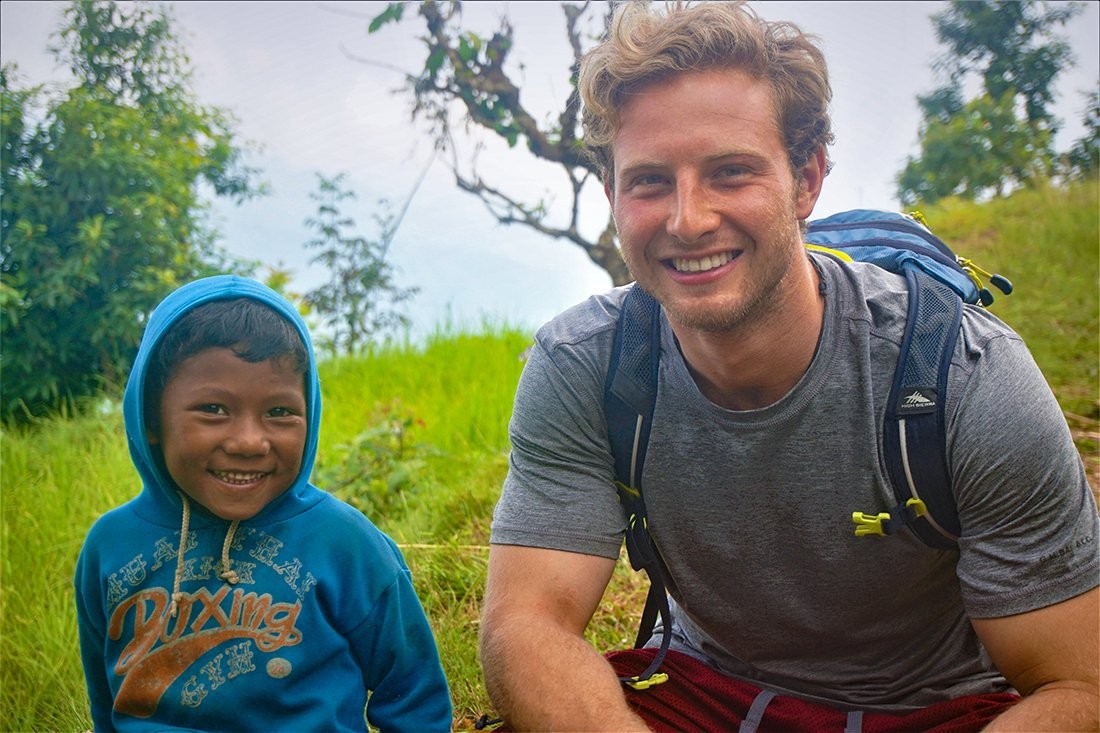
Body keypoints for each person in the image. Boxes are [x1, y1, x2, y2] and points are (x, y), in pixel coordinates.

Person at [479, 2, 1099, 731]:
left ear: (807, 180)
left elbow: (1076, 684)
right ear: (612, 195)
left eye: (730, 172)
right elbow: (525, 625)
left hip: (938, 708)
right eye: (649, 181)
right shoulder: (586, 365)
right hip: (708, 690)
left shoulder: (966, 377)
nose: (688, 219)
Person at [74, 275, 453, 732]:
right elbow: (105, 702)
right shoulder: (110, 545)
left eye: (279, 412)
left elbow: (413, 693)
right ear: (151, 418)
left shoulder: (344, 543)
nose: (250, 442)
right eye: (213, 409)